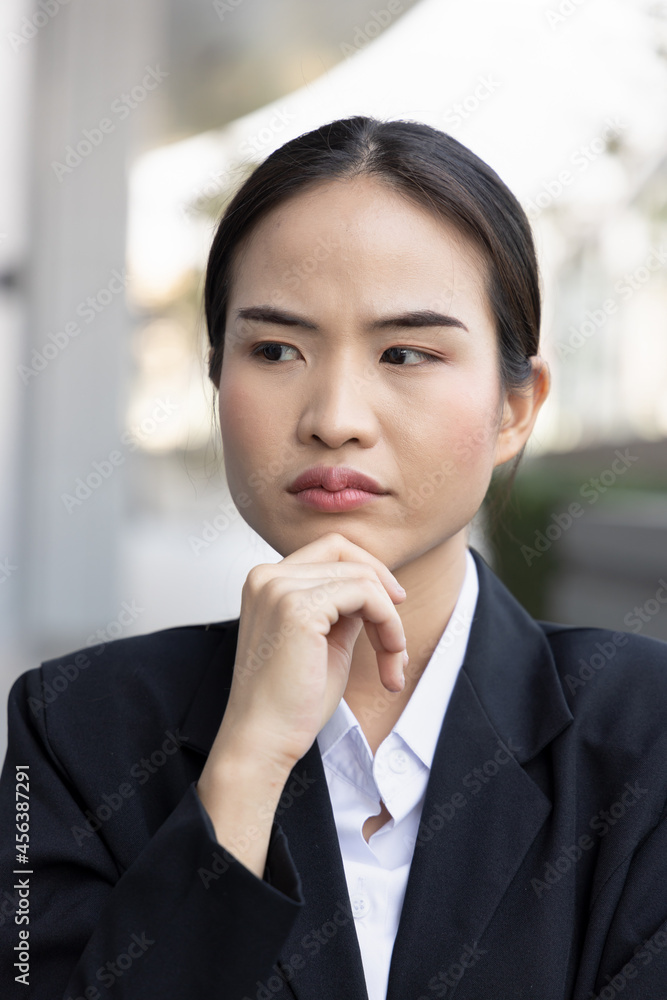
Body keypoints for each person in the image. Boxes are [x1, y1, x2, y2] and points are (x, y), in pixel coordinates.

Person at [1, 115, 666, 1000]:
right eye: (275, 349)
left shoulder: (644, 731)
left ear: (516, 406)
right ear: (216, 381)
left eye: (406, 352)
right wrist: (243, 769)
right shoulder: (70, 728)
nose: (335, 414)